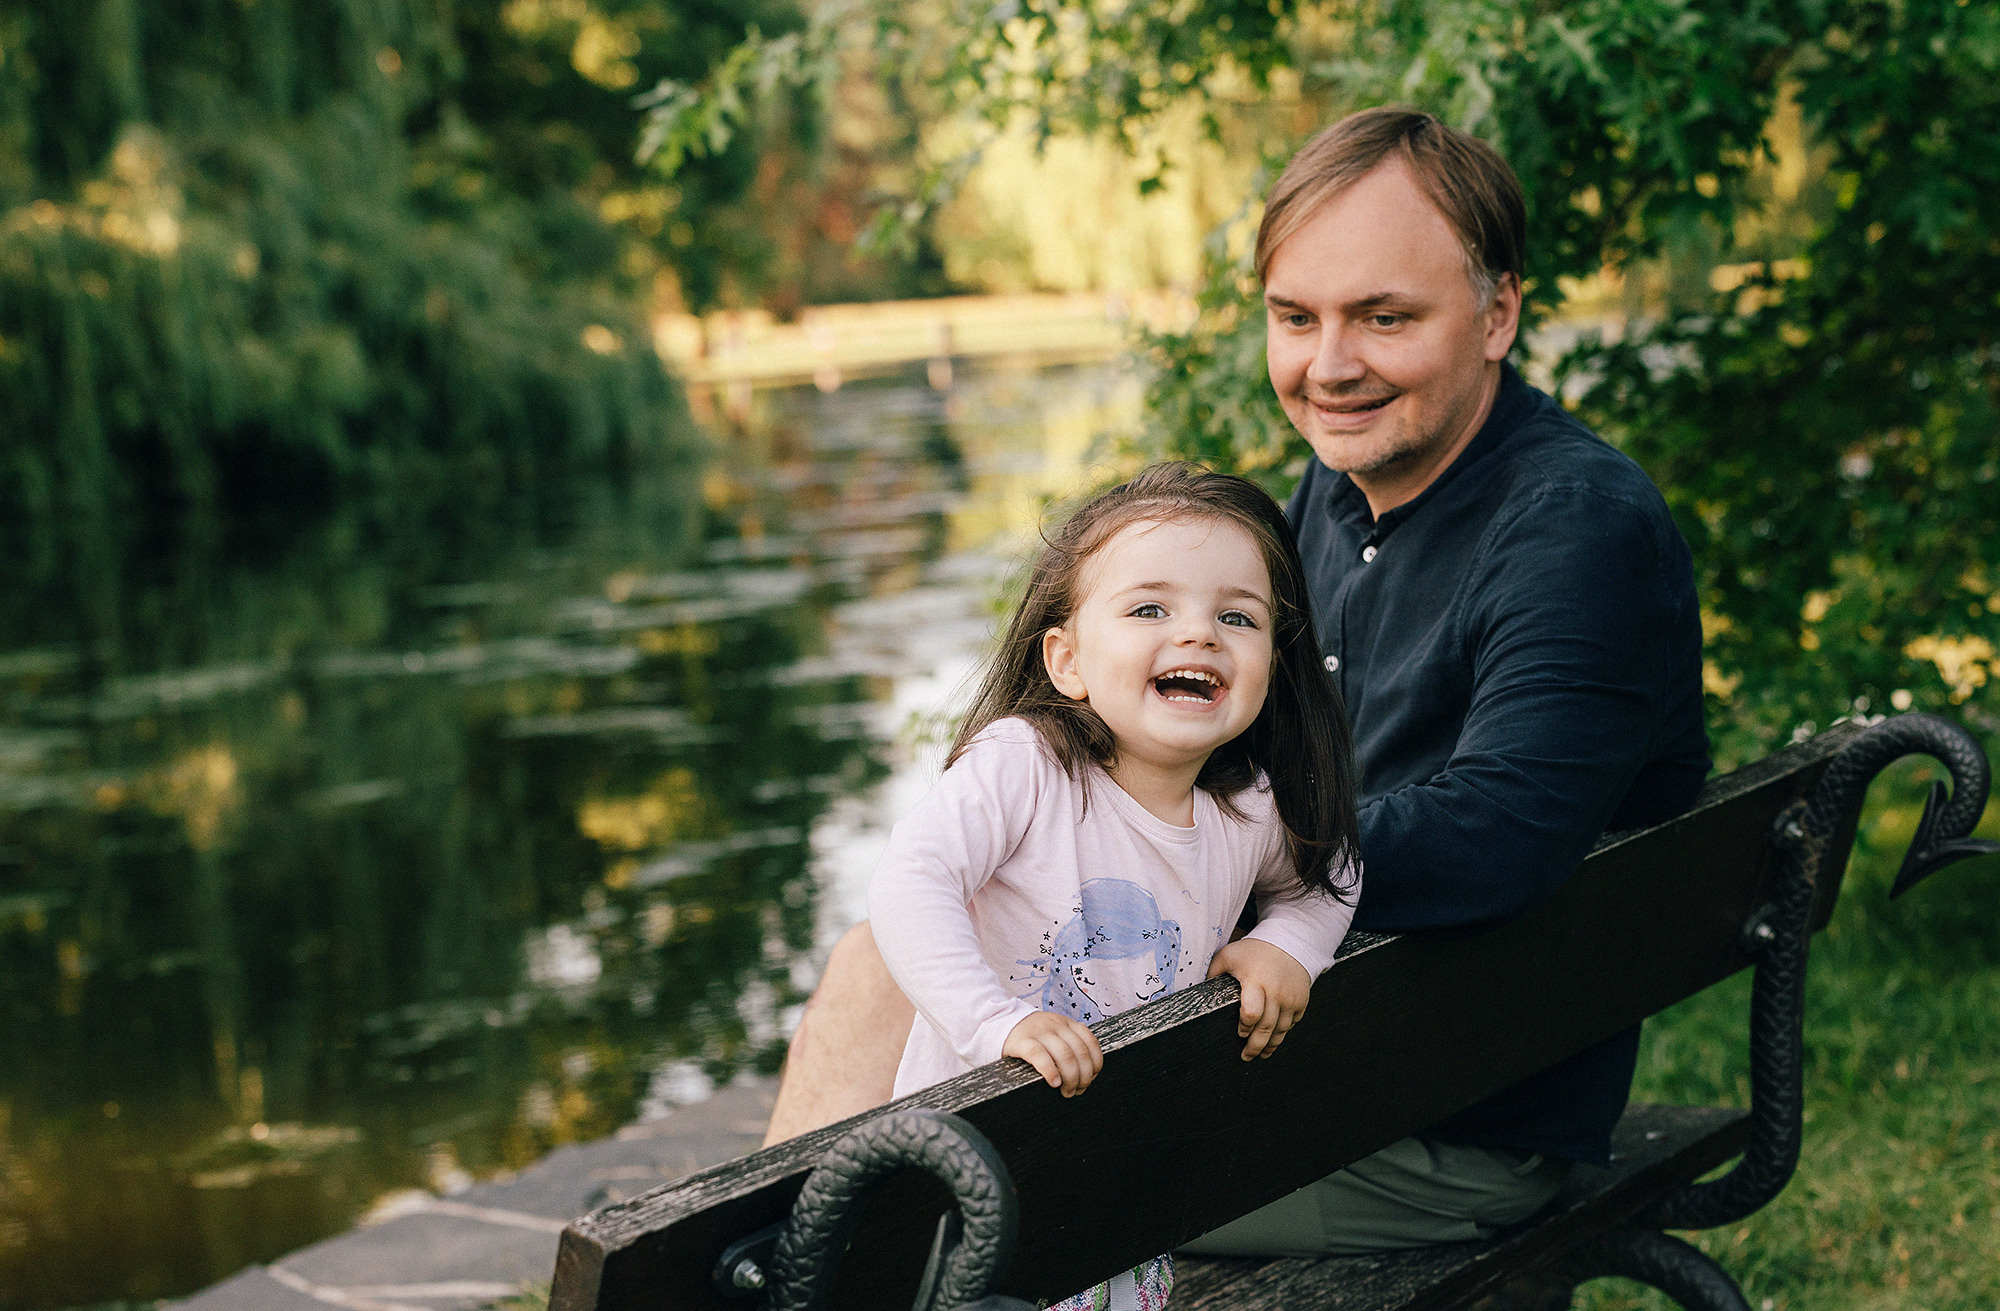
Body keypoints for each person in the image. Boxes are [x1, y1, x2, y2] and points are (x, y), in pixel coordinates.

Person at [765, 106, 1710, 1258]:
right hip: (1322, 1047)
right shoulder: (1333, 495)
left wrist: (1164, 846)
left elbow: (1494, 835)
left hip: (1432, 1116)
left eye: (1383, 317)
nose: (1328, 366)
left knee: (941, 1183)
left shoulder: (1573, 532)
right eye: (1292, 317)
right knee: (903, 957)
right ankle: (781, 1271)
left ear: (1497, 311)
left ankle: (782, 1274)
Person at [866, 463, 1362, 1309]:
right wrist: (996, 1020)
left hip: (1119, 1183)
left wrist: (1289, 945)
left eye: (1236, 616)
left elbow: (1332, 878)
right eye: (1149, 609)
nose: (1199, 634)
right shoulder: (1028, 765)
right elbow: (911, 880)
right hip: (973, 1180)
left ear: (1271, 663)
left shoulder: (1243, 812)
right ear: (1066, 659)